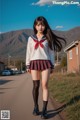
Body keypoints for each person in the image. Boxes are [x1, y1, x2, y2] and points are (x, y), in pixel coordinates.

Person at [26, 16, 66, 119]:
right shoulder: (30, 38)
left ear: (45, 26)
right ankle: (36, 106)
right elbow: (28, 52)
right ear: (35, 26)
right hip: (34, 63)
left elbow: (51, 53)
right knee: (36, 85)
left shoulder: (48, 37)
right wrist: (27, 65)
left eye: (42, 25)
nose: (40, 27)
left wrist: (52, 65)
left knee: (44, 85)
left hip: (46, 63)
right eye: (38, 25)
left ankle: (44, 110)